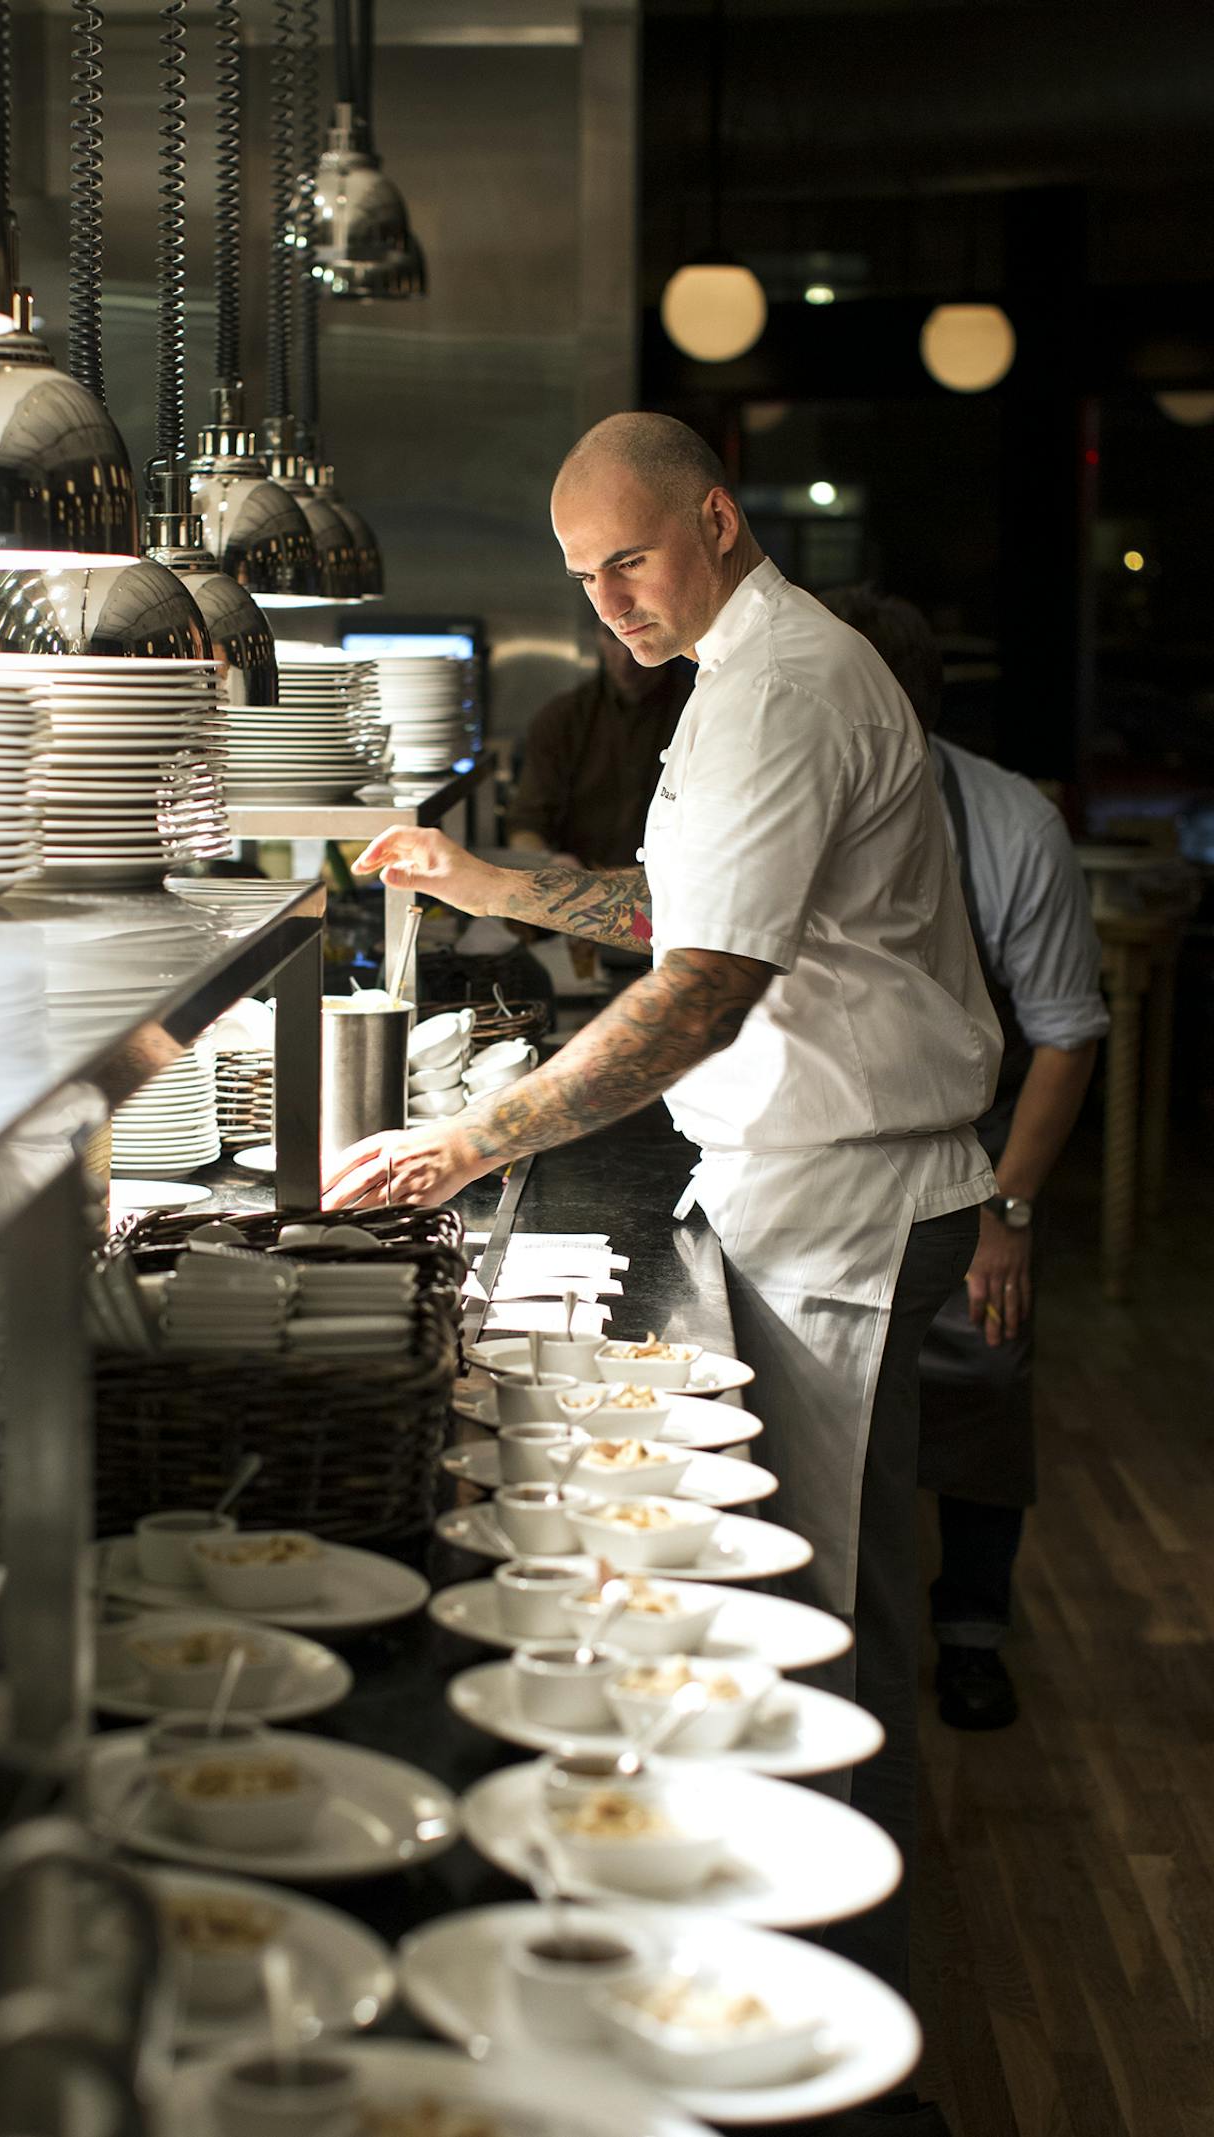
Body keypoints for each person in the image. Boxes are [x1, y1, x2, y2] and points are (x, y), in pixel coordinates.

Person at [324, 412, 999, 2085]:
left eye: (626, 558)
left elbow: (703, 987)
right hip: (805, 1179)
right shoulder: (746, 666)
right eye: (579, 576)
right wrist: (487, 878)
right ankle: (794, 1986)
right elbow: (674, 904)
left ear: (711, 518)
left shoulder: (776, 682)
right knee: (818, 1620)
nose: (607, 599)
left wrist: (469, 1138)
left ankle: (830, 2035)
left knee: (820, 1636)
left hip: (844, 1196)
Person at [824, 586, 1108, 1731]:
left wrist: (1008, 1211)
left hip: (974, 1144)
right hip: (837, 1134)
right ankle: (849, 1635)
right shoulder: (810, 796)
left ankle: (971, 1625)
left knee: (984, 1373)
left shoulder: (1008, 828)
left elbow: (1064, 1032)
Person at [506, 616, 692, 870]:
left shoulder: (696, 711)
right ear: (598, 638)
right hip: (582, 883)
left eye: (640, 633)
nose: (626, 656)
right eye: (613, 636)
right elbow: (526, 824)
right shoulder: (562, 718)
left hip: (678, 884)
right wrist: (548, 864)